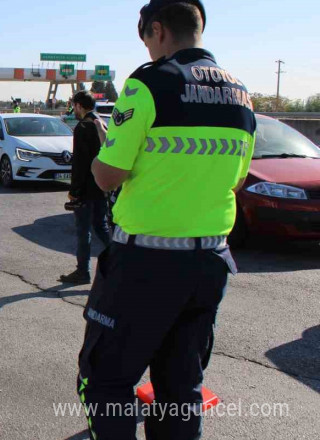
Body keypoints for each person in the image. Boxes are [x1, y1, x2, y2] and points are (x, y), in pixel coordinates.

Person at [76, 1, 256, 439]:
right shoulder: (241, 94)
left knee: (105, 381)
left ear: (156, 30)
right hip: (209, 262)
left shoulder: (148, 83)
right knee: (179, 388)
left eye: (146, 40)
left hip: (144, 264)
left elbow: (106, 175)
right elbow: (237, 180)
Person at [60, 91, 111, 284]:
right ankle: (120, 263)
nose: (73, 110)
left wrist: (74, 191)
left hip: (86, 189)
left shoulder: (83, 127)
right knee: (101, 227)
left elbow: (80, 164)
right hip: (101, 185)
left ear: (80, 106)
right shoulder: (101, 123)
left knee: (83, 231)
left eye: (74, 106)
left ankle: (83, 271)